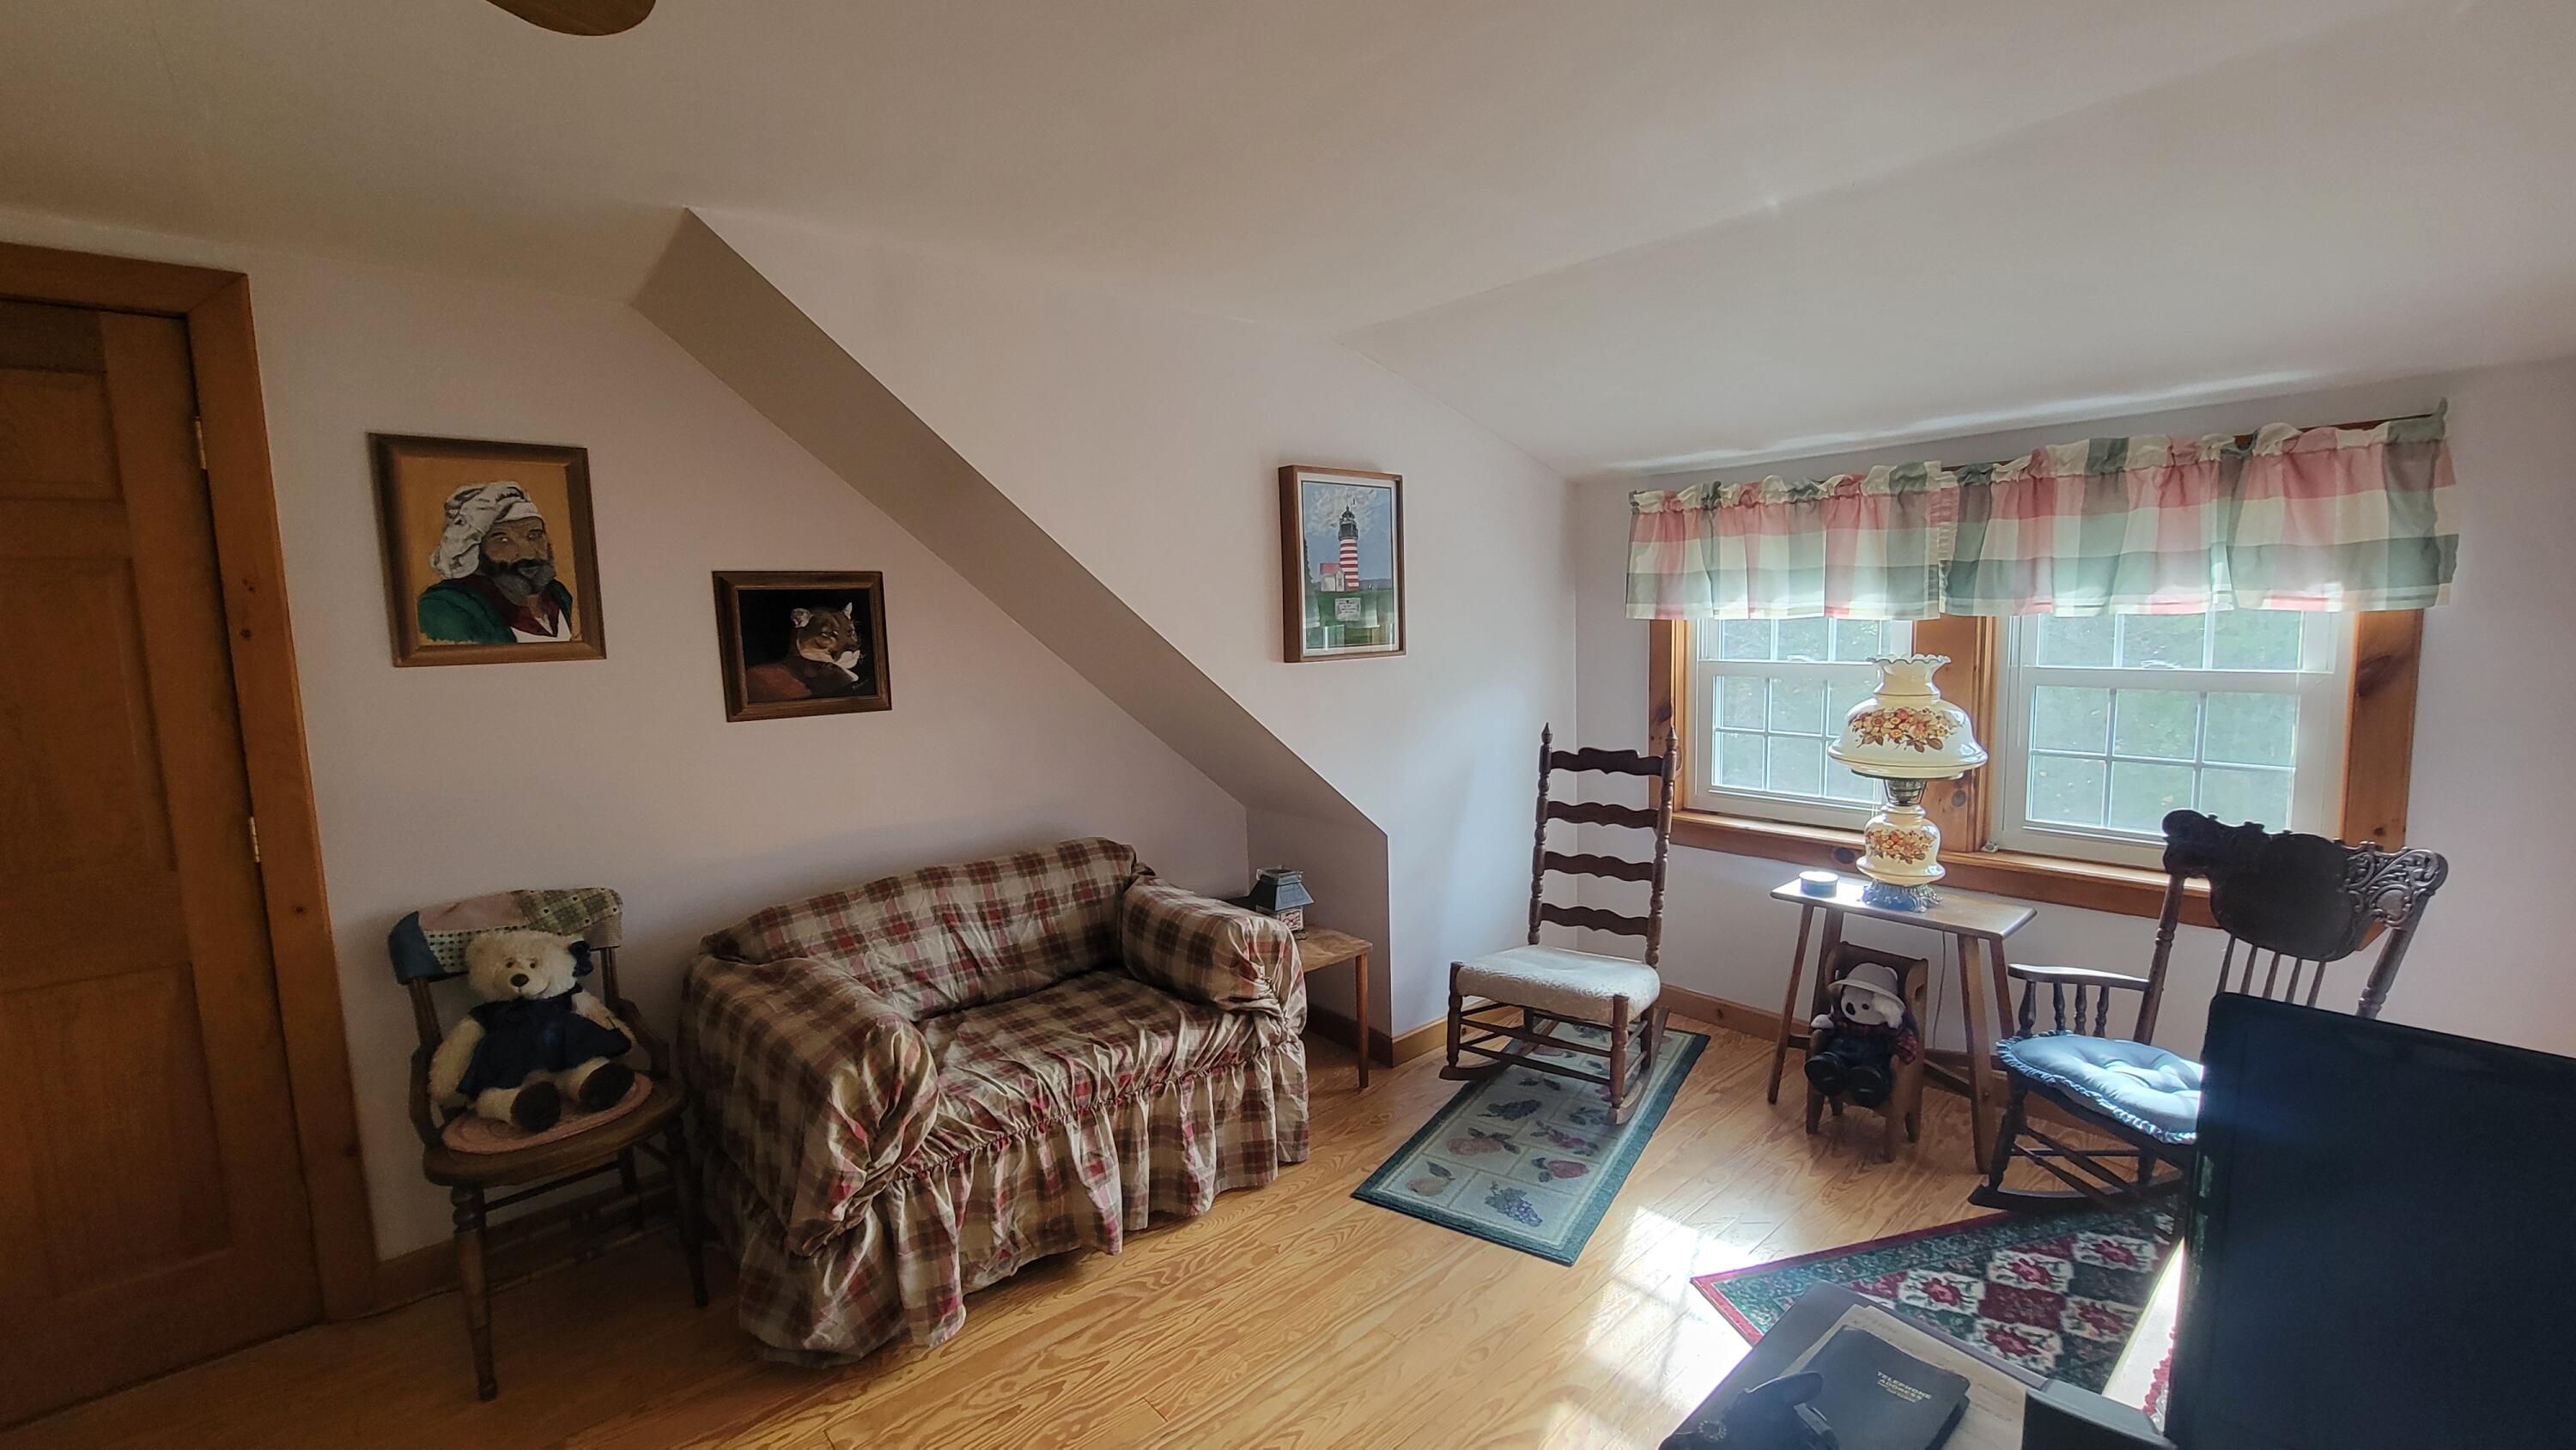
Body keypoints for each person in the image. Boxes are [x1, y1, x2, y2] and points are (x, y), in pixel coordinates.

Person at [416, 482, 577, 645]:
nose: (528, 553)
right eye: (503, 540)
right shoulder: (447, 605)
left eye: (534, 535)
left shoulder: (558, 594)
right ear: (474, 550)